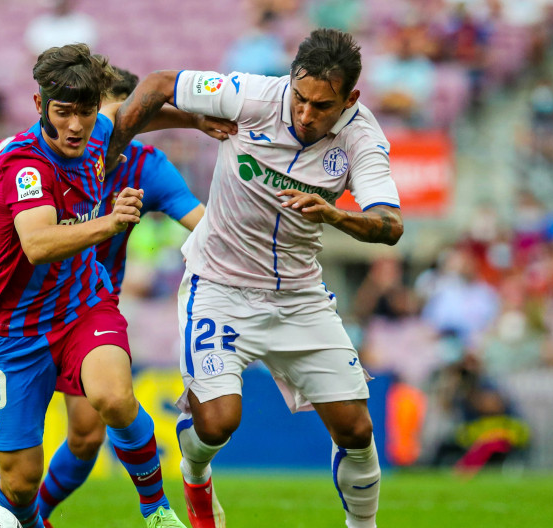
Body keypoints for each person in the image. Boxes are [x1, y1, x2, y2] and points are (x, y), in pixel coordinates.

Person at [109, 28, 404, 528]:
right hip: (219, 285)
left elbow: (390, 226)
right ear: (291, 80)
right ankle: (195, 471)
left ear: (350, 98)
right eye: (301, 98)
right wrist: (109, 159)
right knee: (218, 422)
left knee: (357, 430)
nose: (307, 114)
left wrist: (335, 216)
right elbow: (158, 84)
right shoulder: (252, 94)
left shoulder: (362, 138)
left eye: (322, 106)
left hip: (300, 296)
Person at [0, 65, 207, 528]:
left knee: (110, 402)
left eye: (86, 113)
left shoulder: (123, 148)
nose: (78, 125)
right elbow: (36, 244)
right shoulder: (23, 161)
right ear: (41, 106)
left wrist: (202, 121)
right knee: (14, 475)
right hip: (15, 323)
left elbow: (141, 115)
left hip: (85, 306)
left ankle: (157, 510)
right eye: (65, 113)